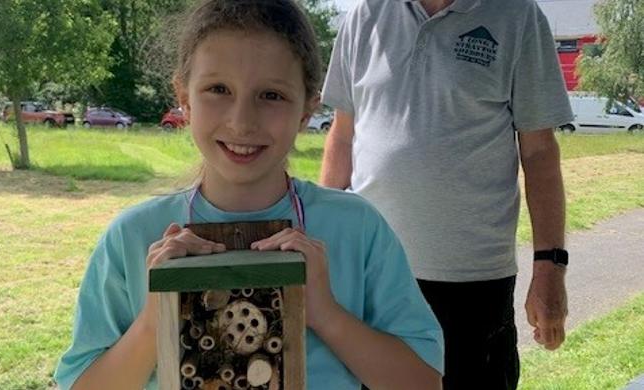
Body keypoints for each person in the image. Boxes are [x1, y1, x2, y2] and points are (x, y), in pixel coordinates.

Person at [53, 1, 444, 389]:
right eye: (218, 89)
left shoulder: (357, 229)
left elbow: (423, 382)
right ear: (184, 98)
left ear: (307, 109)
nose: (242, 122)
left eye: (271, 95)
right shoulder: (133, 238)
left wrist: (325, 313)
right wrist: (156, 321)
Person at [320, 0, 571, 388]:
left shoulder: (517, 15)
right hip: (372, 275)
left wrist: (550, 268)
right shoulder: (365, 15)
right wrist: (323, 242)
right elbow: (342, 136)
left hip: (472, 285)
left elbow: (539, 152)